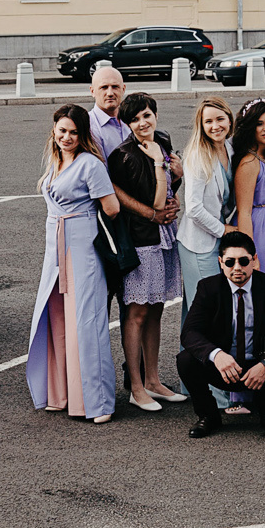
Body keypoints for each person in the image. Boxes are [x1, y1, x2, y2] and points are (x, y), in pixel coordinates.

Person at [26, 104, 122, 423]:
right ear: (54, 130)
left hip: (82, 246)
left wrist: (79, 218)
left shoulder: (90, 165)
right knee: (54, 317)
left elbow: (111, 208)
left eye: (73, 132)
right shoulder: (55, 161)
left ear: (82, 136)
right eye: (62, 130)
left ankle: (97, 403)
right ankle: (61, 394)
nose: (66, 137)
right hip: (55, 246)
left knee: (87, 322)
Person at [105, 91, 187, 414]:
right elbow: (153, 202)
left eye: (147, 115)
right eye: (135, 119)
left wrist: (176, 179)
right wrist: (158, 165)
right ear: (127, 124)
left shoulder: (163, 140)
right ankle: (136, 387)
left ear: (155, 115)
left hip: (165, 235)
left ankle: (154, 380)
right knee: (136, 312)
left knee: (156, 308)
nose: (142, 123)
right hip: (141, 240)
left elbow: (167, 192)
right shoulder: (123, 155)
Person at [179, 230, 265, 438]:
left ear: (255, 260)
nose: (237, 268)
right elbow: (189, 332)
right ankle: (209, 416)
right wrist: (216, 355)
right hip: (225, 366)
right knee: (186, 360)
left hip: (260, 366)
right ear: (221, 262)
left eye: (243, 261)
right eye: (230, 262)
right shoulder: (208, 288)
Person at [177, 96, 237, 300]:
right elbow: (193, 208)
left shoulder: (230, 148)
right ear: (201, 126)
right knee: (206, 303)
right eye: (208, 122)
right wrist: (223, 229)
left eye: (220, 119)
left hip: (216, 239)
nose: (215, 126)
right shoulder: (197, 154)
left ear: (229, 119)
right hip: (198, 242)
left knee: (201, 304)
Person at [230, 99, 265, 280]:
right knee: (262, 280)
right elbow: (244, 212)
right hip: (257, 227)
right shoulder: (249, 163)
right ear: (250, 127)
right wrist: (250, 253)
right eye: (259, 124)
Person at [87, 65, 131, 162]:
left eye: (115, 87)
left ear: (123, 89)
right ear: (92, 91)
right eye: (104, 87)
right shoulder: (87, 125)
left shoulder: (133, 119)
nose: (110, 93)